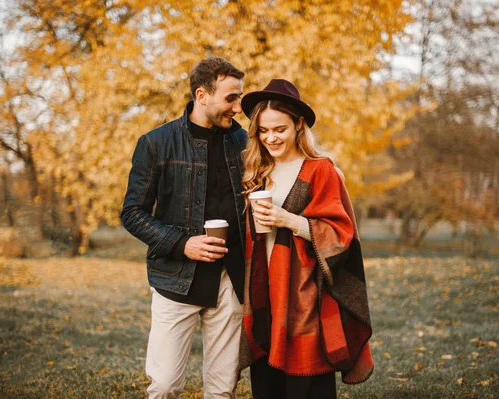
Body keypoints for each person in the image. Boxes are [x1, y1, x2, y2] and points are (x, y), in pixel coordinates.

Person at [121, 56, 248, 399]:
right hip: (175, 279)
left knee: (222, 391)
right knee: (164, 387)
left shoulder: (244, 143)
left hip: (230, 280)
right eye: (230, 98)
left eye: (239, 97)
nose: (238, 107)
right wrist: (182, 244)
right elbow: (132, 213)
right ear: (201, 96)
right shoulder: (156, 143)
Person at [238, 79, 374, 399]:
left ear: (299, 125)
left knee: (306, 382)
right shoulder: (255, 170)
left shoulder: (320, 170)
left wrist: (290, 221)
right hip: (263, 292)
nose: (271, 137)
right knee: (267, 384)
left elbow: (342, 235)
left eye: (280, 129)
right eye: (263, 130)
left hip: (305, 296)